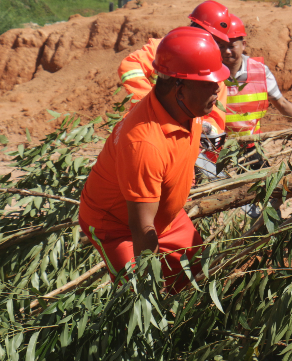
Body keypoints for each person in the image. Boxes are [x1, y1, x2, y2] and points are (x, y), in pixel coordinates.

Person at [79, 26, 230, 293]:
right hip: (119, 226)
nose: (217, 90)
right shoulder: (144, 143)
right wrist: (148, 292)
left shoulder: (187, 110)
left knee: (198, 276)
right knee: (137, 301)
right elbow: (141, 227)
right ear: (178, 87)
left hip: (165, 217)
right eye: (208, 84)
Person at [118, 0, 233, 175]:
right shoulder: (166, 47)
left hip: (182, 142)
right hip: (146, 130)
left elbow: (215, 121)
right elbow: (130, 67)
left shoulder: (215, 76)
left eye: (215, 40)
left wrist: (205, 128)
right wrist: (151, 104)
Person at [220, 14, 292, 139]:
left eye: (231, 46)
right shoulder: (208, 73)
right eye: (222, 46)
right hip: (216, 147)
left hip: (252, 144)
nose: (227, 51)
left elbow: (282, 103)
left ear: (243, 45)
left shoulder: (260, 72)